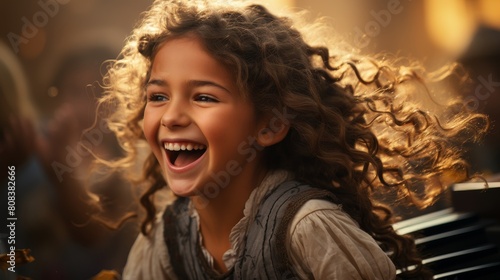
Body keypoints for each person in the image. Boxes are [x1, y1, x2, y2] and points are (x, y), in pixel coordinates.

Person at [97, 0, 489, 279]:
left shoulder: (307, 227)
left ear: (268, 125)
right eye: (158, 96)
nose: (172, 116)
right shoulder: (167, 237)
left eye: (204, 97)